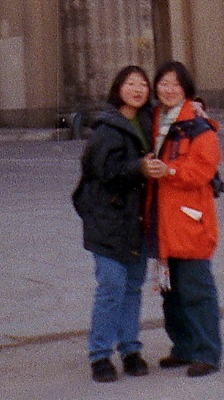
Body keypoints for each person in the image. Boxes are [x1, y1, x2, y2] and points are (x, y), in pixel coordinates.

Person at [73, 66, 155, 384]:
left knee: (132, 288)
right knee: (111, 286)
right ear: (118, 88)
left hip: (137, 219)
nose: (137, 89)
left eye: (142, 84)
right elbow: (104, 172)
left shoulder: (150, 122)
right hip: (108, 219)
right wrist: (140, 168)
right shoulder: (106, 127)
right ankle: (100, 355)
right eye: (130, 83)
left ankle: (131, 348)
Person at [144, 61, 222, 377]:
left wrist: (171, 170)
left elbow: (204, 171)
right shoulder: (155, 120)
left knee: (196, 291)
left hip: (189, 220)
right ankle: (184, 347)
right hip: (162, 219)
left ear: (186, 88)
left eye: (176, 83)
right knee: (171, 293)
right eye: (163, 82)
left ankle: (207, 352)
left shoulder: (199, 128)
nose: (169, 88)